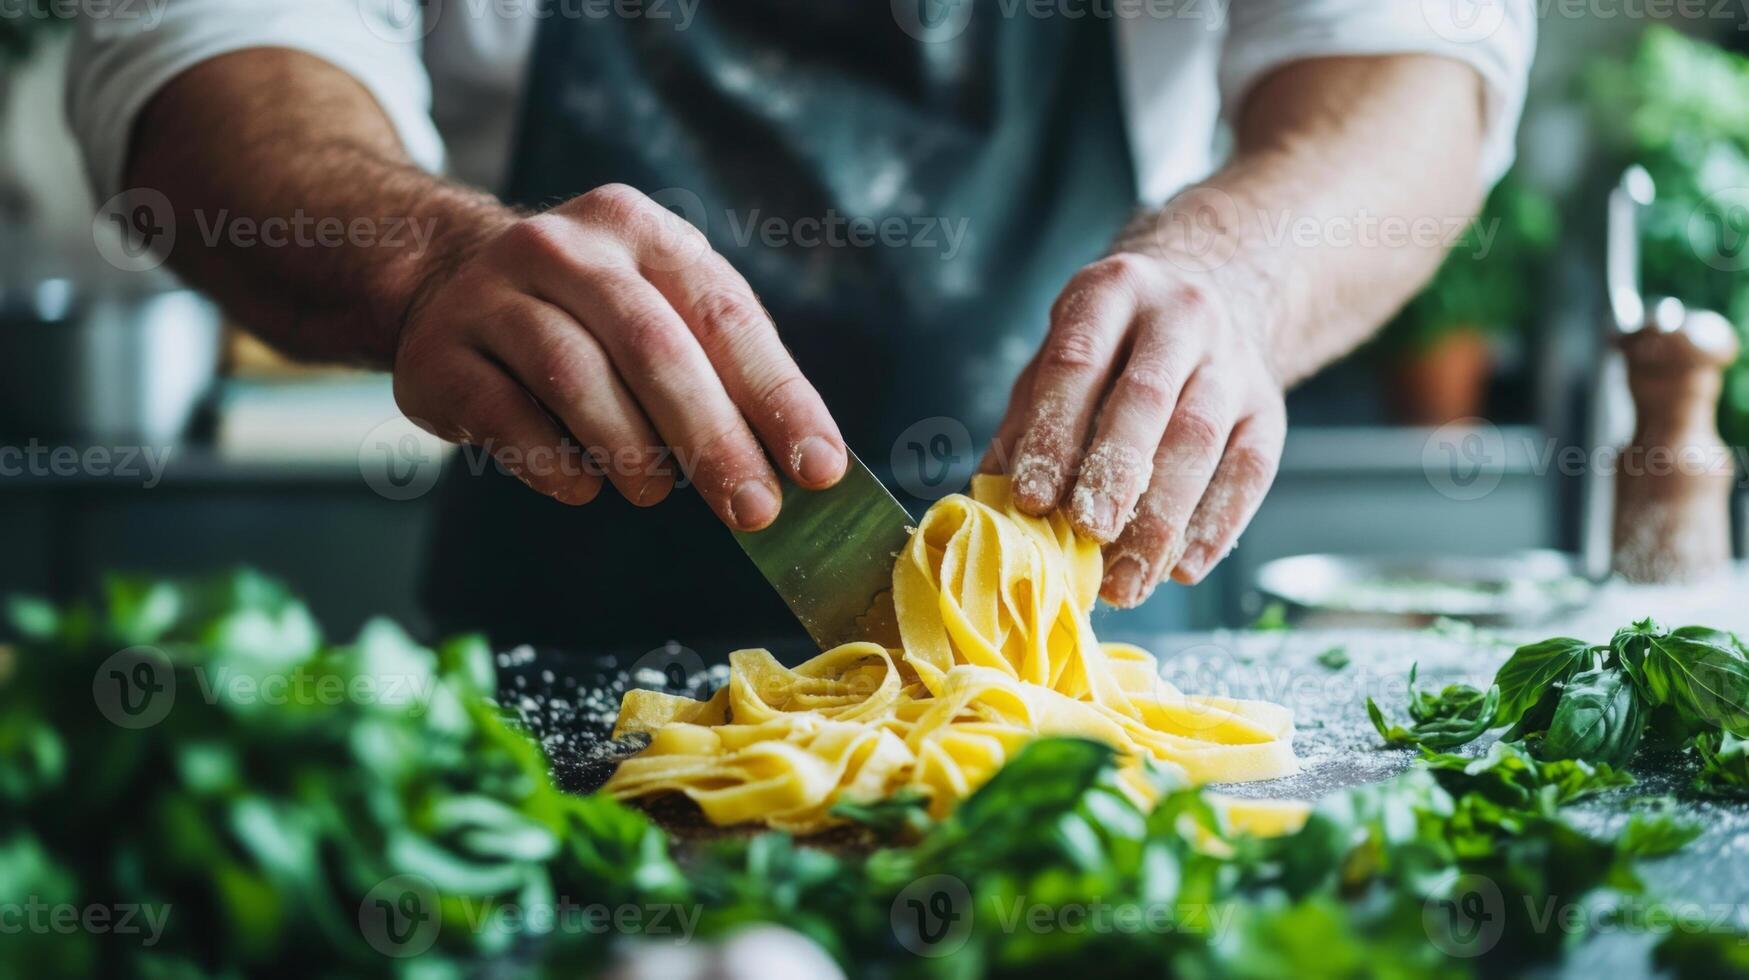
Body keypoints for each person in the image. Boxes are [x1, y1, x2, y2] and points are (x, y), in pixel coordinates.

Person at [67, 1, 1535, 653]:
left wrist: (1241, 275)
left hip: (1094, 700)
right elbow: (203, 43)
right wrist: (423, 257)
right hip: (582, 695)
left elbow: (1403, 59)